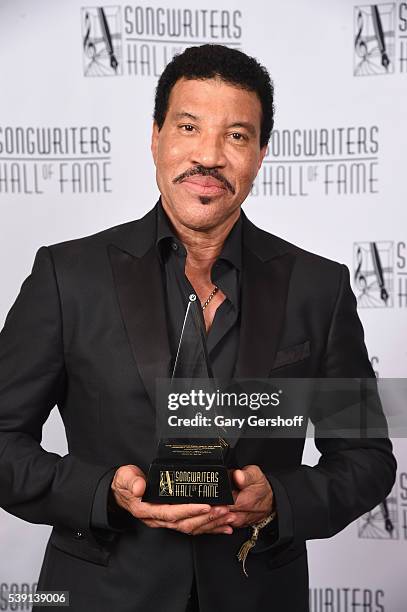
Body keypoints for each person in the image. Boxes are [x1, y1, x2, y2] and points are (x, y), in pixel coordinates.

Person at [0, 44, 396, 612]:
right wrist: (103, 493)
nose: (209, 155)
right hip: (99, 594)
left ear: (260, 153)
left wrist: (280, 498)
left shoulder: (318, 288)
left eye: (236, 135)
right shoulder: (68, 277)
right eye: (189, 126)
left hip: (258, 594)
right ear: (156, 135)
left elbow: (366, 458)